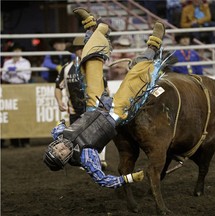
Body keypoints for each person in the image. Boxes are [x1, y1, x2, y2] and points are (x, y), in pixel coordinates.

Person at [43, 7, 166, 188]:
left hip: (93, 107)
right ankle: (154, 45)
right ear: (65, 159)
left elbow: (57, 127)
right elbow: (102, 180)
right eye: (60, 154)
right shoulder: (86, 157)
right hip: (113, 115)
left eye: (55, 148)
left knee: (88, 67)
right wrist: (130, 178)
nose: (60, 148)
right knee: (135, 79)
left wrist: (63, 118)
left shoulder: (59, 135)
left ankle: (91, 28)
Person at [2, 43, 32, 147]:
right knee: (12, 115)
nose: (16, 52)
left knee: (24, 115)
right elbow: (4, 77)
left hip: (22, 87)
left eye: (18, 50)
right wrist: (11, 72)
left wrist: (15, 71)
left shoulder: (25, 62)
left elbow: (26, 77)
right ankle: (14, 142)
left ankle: (25, 141)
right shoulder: (7, 62)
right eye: (15, 50)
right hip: (10, 88)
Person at [54, 36, 85, 125]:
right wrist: (59, 101)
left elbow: (104, 87)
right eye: (79, 48)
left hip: (92, 112)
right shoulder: (66, 68)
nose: (82, 51)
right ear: (75, 50)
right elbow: (58, 87)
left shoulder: (93, 67)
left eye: (84, 48)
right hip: (74, 112)